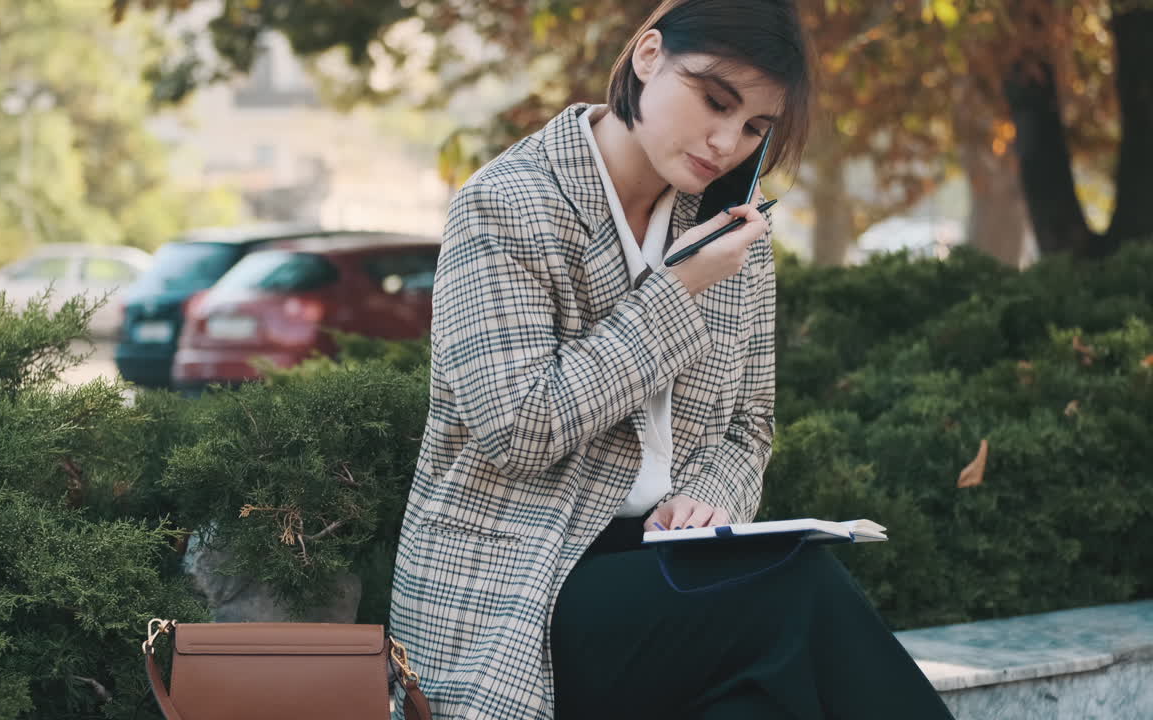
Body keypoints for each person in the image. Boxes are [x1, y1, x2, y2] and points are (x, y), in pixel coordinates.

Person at [388, 1, 956, 719]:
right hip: (521, 586)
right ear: (649, 56)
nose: (727, 142)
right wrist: (677, 292)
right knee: (800, 588)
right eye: (714, 100)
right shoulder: (507, 205)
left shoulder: (727, 229)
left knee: (766, 705)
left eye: (755, 126)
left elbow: (749, 427)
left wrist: (715, 494)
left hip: (668, 573)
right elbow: (517, 431)